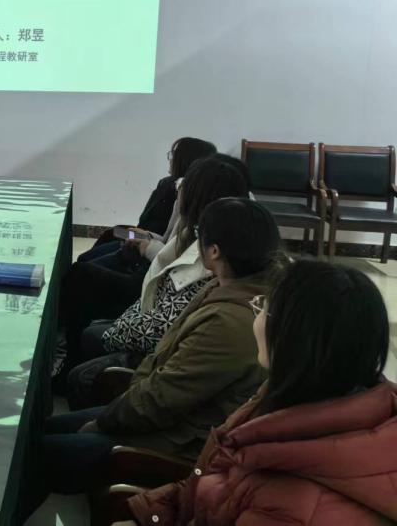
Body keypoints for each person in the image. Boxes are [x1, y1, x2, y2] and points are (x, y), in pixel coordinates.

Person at [120, 261, 396, 526]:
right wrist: (150, 514)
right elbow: (215, 484)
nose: (256, 316)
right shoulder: (291, 394)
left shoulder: (288, 503)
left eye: (264, 307)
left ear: (293, 339)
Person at [44, 197, 281, 494]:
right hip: (166, 416)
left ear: (214, 251)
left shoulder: (229, 322)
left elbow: (162, 398)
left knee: (35, 454)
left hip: (177, 443)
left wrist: (103, 423)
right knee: (41, 429)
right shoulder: (228, 287)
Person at [58, 154, 248, 386]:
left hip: (150, 308)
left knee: (81, 279)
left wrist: (147, 248)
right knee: (87, 264)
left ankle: (71, 364)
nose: (179, 187)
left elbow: (167, 311)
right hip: (148, 290)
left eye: (185, 185)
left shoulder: (211, 250)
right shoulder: (201, 225)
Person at [82, 137, 217, 259]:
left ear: (185, 159)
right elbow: (147, 220)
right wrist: (143, 232)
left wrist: (145, 235)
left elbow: (166, 239)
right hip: (145, 236)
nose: (170, 159)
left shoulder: (184, 192)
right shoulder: (166, 183)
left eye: (174, 155)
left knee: (107, 242)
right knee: (115, 232)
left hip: (149, 244)